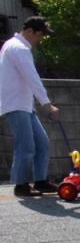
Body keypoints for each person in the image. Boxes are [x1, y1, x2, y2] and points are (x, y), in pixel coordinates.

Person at [0, 16, 60, 197]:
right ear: (30, 32)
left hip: (23, 105)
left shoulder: (15, 46)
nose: (40, 39)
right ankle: (21, 185)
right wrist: (47, 103)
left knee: (41, 142)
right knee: (25, 146)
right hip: (16, 104)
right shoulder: (18, 48)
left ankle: (40, 181)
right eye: (40, 35)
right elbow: (31, 77)